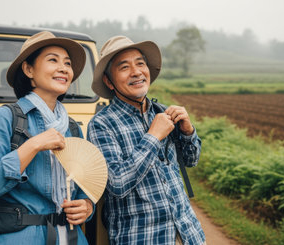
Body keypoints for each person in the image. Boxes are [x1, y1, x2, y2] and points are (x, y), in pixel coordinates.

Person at [0, 31, 94, 245]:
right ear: (29, 70)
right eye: (53, 60)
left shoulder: (72, 128)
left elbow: (83, 192)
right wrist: (33, 145)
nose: (63, 68)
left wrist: (86, 207)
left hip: (71, 238)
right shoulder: (3, 118)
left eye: (67, 63)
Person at [87, 36, 206, 245]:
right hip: (143, 238)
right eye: (124, 67)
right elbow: (117, 184)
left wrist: (188, 130)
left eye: (140, 63)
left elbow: (191, 160)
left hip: (189, 234)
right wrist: (153, 137)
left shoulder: (163, 112)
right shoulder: (102, 124)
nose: (136, 72)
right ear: (109, 81)